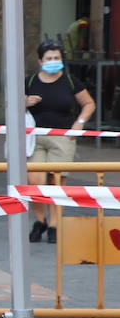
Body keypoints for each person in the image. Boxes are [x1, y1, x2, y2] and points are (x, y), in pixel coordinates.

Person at [25, 40, 95, 243]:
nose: (53, 61)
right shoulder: (30, 82)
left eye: (57, 58)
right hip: (34, 136)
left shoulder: (70, 81)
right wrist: (25, 101)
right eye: (49, 58)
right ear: (40, 61)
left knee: (57, 181)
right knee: (34, 181)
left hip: (62, 137)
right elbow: (11, 103)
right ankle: (40, 221)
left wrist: (80, 123)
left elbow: (89, 103)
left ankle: (55, 224)